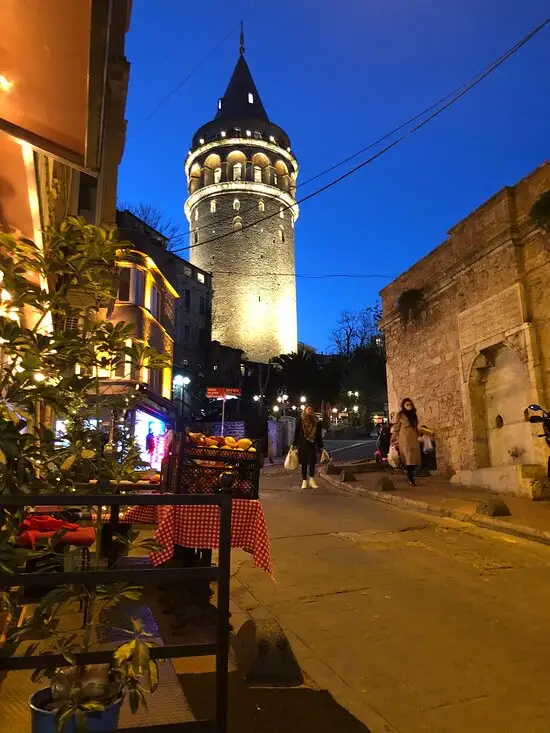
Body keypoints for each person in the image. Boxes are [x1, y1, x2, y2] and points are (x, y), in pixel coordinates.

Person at [292, 404, 324, 489]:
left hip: (312, 444)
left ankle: (312, 480)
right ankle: (304, 480)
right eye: (308, 409)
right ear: (305, 410)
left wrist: (321, 446)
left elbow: (318, 435)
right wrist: (294, 444)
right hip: (302, 444)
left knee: (312, 462)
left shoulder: (316, 421)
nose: (310, 410)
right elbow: (296, 433)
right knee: (304, 463)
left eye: (311, 409)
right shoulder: (300, 420)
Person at [391, 398, 421, 486]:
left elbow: (415, 427)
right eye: (407, 404)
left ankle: (410, 476)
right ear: (403, 405)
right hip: (405, 440)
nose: (409, 406)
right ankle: (411, 479)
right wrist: (393, 437)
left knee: (413, 459)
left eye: (410, 404)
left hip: (413, 439)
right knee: (409, 458)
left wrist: (419, 433)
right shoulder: (400, 415)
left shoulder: (414, 415)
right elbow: (396, 427)